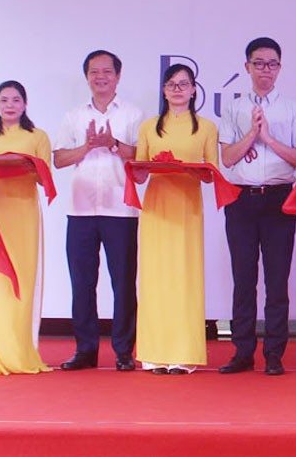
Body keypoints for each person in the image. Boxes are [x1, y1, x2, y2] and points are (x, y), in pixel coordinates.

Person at [218, 37, 296, 376]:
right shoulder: (233, 108)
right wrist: (251, 137)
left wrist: (269, 138)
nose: (265, 70)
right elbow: (227, 158)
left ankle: (274, 353)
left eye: (271, 64)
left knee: (277, 280)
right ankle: (242, 351)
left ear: (280, 68)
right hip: (241, 200)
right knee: (243, 279)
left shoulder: (292, 108)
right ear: (247, 67)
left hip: (279, 200)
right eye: (258, 63)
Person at [54, 50, 143, 372]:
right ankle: (85, 350)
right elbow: (59, 159)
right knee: (82, 282)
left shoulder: (133, 114)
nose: (101, 77)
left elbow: (141, 160)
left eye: (107, 71)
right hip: (80, 210)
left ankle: (123, 351)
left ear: (118, 77)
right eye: (95, 72)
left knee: (123, 283)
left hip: (121, 210)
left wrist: (114, 144)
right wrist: (88, 147)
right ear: (87, 77)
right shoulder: (74, 115)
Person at [135, 64, 219, 375]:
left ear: (194, 89)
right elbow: (140, 172)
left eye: (184, 84)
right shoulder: (149, 127)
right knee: (156, 277)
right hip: (157, 205)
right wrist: (149, 166)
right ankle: (154, 353)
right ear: (164, 90)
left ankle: (183, 354)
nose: (178, 89)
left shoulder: (207, 128)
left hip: (187, 206)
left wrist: (188, 169)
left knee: (184, 275)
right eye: (171, 84)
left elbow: (212, 174)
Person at [0, 81, 52, 375]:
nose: (10, 105)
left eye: (16, 100)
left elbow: (45, 179)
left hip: (24, 215)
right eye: (4, 100)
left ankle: (21, 351)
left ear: (25, 104)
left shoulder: (37, 136)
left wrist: (28, 167)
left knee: (23, 282)